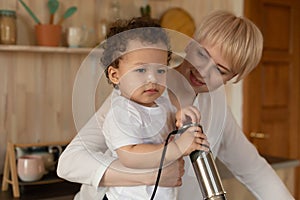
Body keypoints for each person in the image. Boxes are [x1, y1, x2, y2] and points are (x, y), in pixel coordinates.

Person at [57, 10, 294, 200]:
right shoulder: (140, 92)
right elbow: (70, 164)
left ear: (233, 78)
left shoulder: (215, 110)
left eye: (219, 70)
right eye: (202, 54)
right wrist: (151, 175)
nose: (203, 70)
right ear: (190, 44)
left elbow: (255, 171)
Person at [99, 18, 209, 199]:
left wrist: (180, 116)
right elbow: (131, 156)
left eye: (160, 70)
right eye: (141, 70)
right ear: (115, 75)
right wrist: (178, 147)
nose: (153, 79)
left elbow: (167, 128)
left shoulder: (163, 103)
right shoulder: (122, 112)